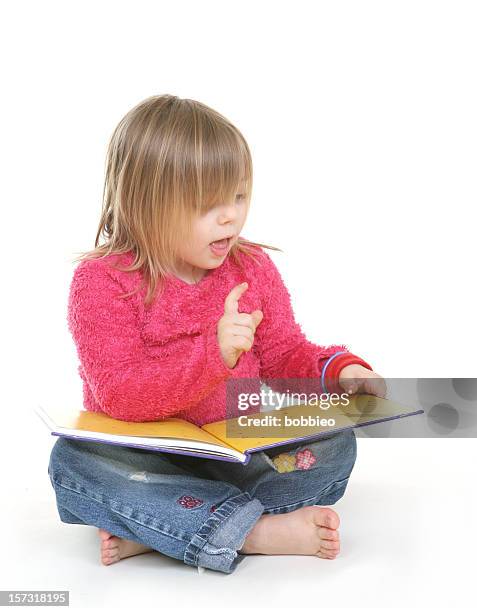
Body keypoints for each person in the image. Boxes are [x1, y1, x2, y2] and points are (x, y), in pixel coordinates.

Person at [48, 94, 386, 574]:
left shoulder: (251, 267)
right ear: (146, 206)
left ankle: (161, 528)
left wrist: (340, 373)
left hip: (238, 450)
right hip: (145, 459)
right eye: (209, 205)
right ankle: (252, 531)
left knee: (333, 446)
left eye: (239, 195)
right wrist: (215, 353)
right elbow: (119, 394)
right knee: (73, 464)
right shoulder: (102, 281)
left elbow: (285, 355)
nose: (230, 216)